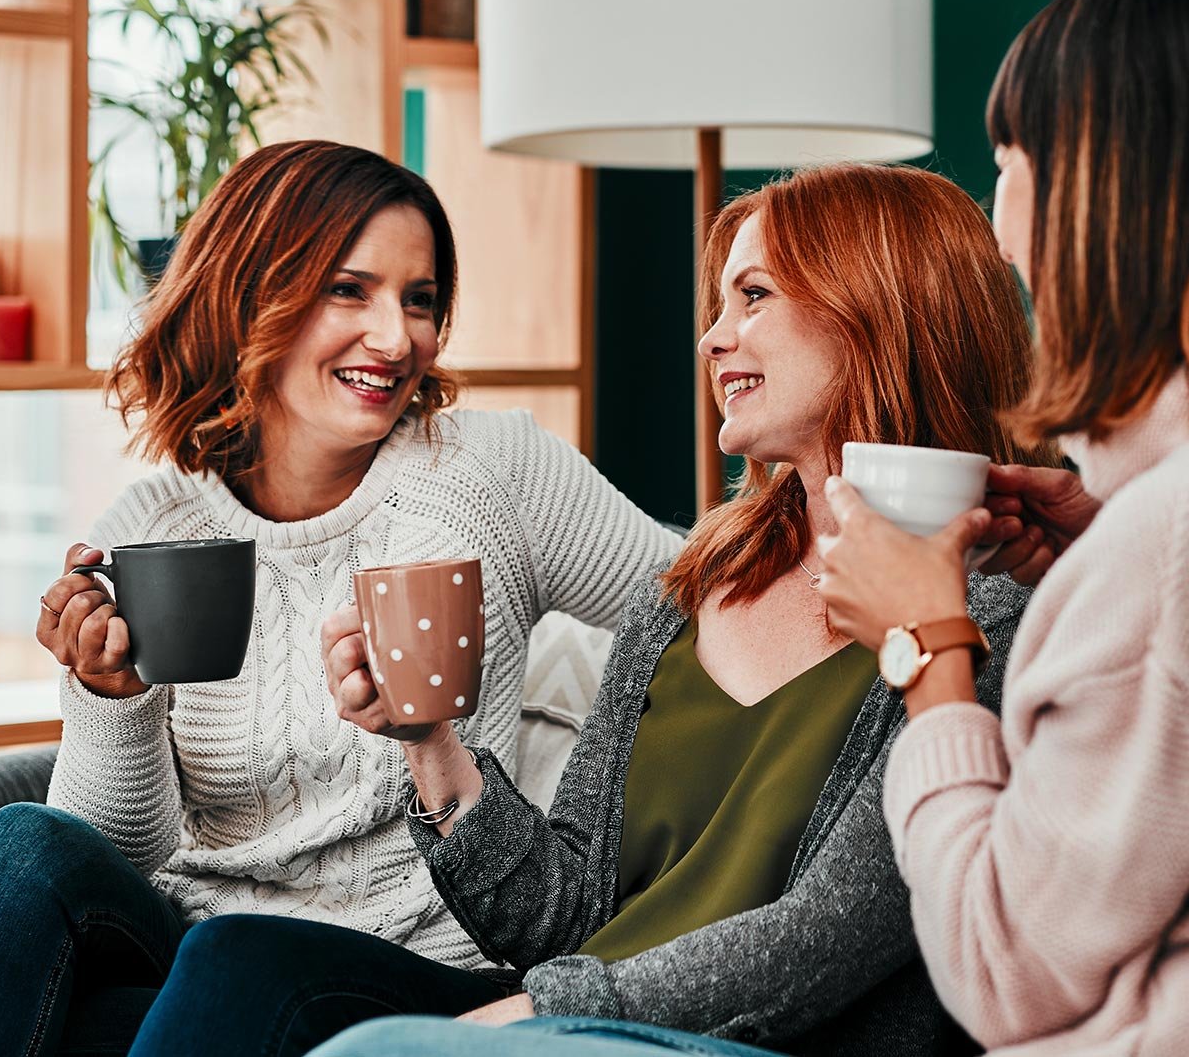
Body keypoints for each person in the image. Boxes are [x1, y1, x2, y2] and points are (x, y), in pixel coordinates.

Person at [317, 0, 1189, 1057]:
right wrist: (1095, 556)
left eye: (1008, 169)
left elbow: (995, 972)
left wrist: (929, 645)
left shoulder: (1188, 528)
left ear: (1103, 194)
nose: (1001, 227)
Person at [125, 161, 1055, 1057]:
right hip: (580, 1017)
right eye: (719, 305)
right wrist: (428, 742)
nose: (713, 338)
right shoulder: (699, 586)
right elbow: (564, 911)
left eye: (755, 296)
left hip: (733, 1040)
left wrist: (538, 1012)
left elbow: (823, 941)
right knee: (240, 959)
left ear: (880, 309)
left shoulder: (993, 610)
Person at [0, 139, 680, 1057]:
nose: (396, 336)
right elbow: (110, 852)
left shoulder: (491, 473)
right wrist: (109, 703)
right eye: (348, 290)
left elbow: (701, 604)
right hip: (197, 958)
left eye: (420, 300)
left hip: (422, 968)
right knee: (23, 845)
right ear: (252, 293)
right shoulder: (154, 521)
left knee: (216, 965)